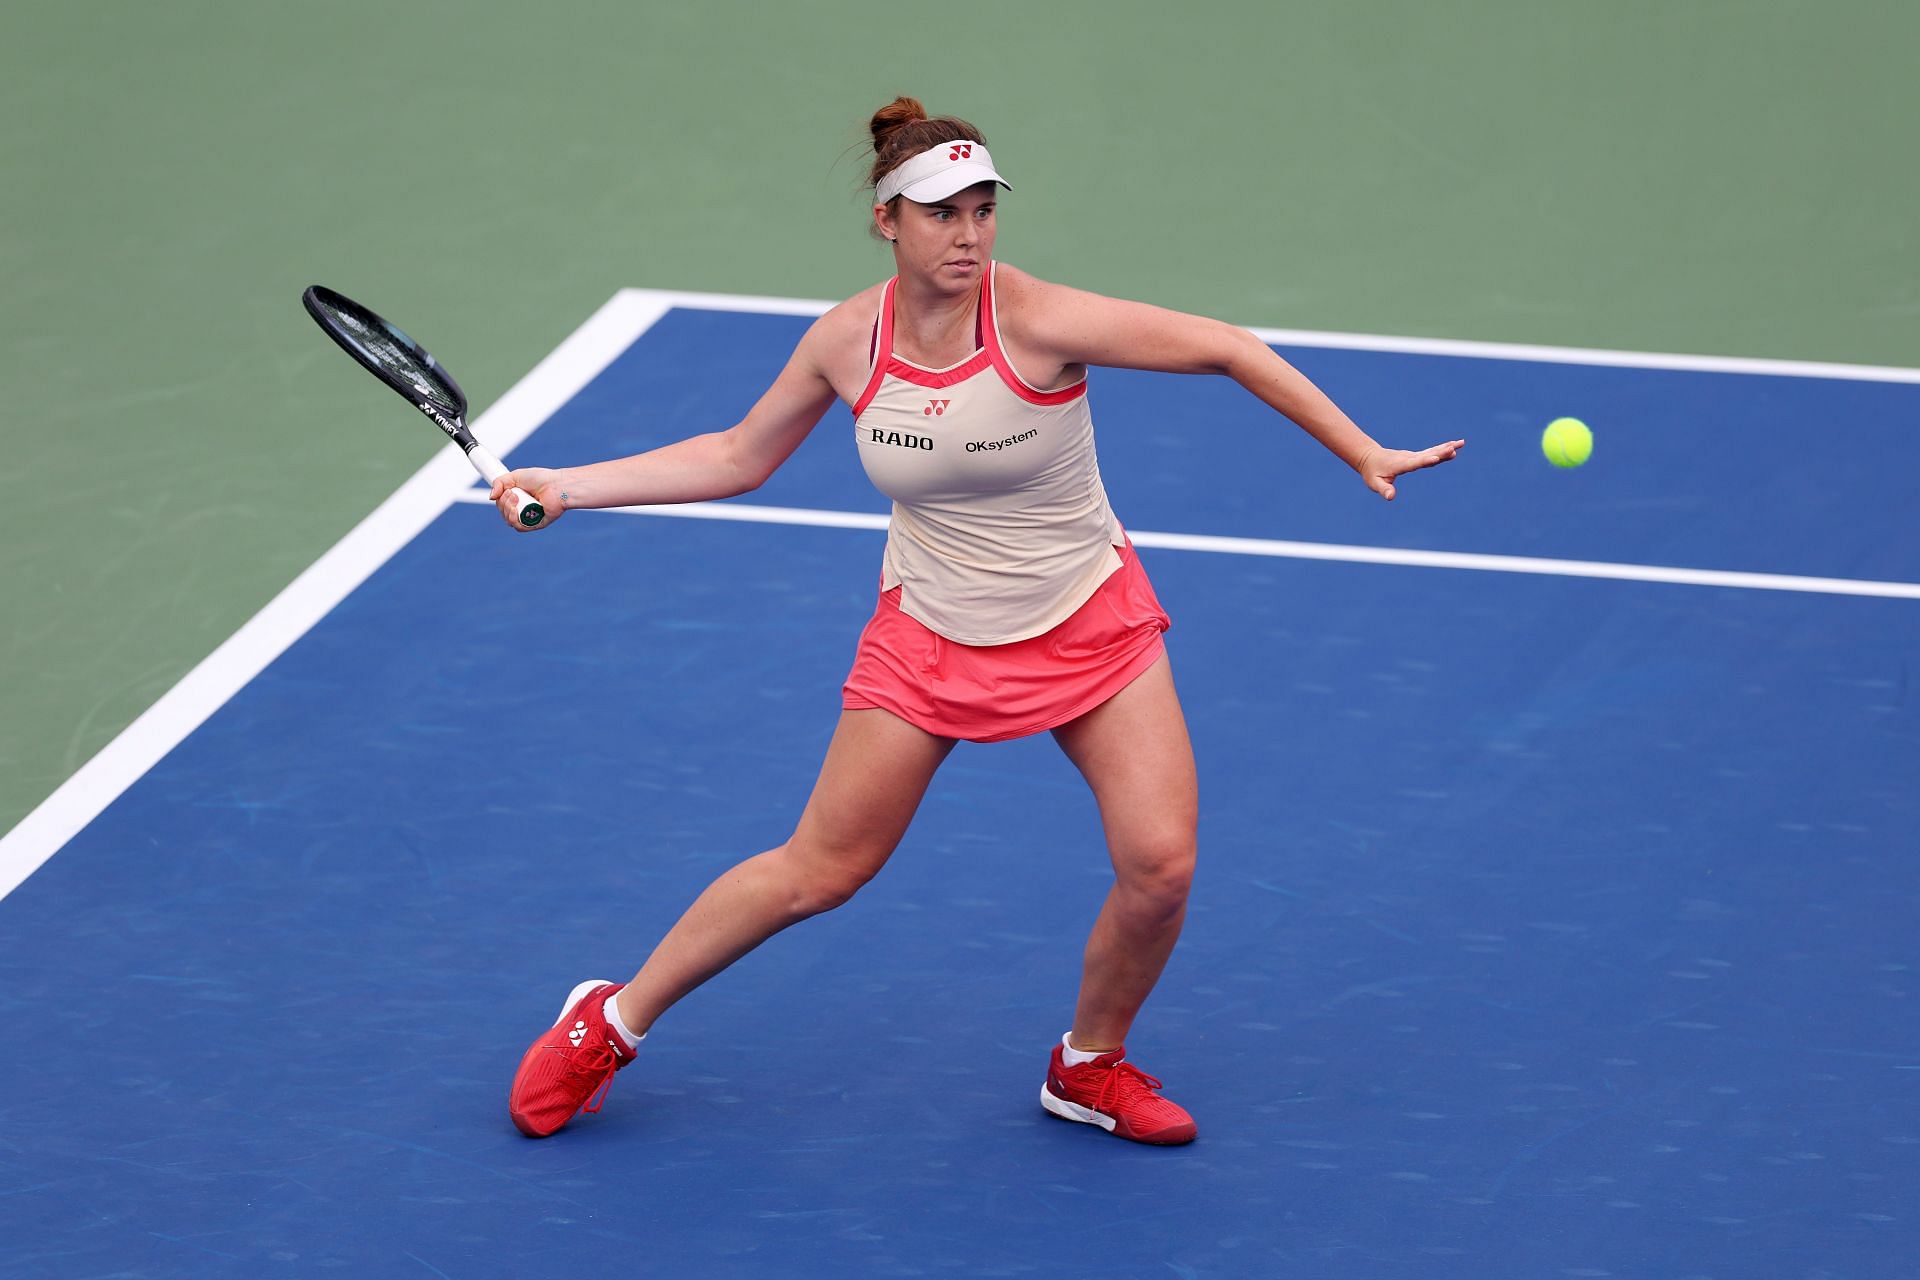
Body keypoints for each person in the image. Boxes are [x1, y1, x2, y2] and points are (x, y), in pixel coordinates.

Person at [496, 97, 1464, 1146]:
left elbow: (1225, 347)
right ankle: (613, 1018)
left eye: (981, 209)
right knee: (821, 869)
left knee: (1161, 865)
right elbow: (739, 454)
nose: (966, 234)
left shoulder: (1036, 317)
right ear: (887, 221)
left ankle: (1089, 1065)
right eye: (939, 212)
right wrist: (573, 485)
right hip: (931, 632)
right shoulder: (845, 341)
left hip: (1086, 616)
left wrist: (1359, 446)